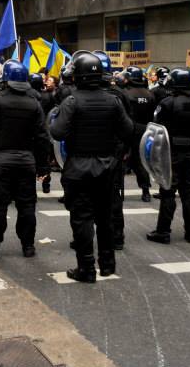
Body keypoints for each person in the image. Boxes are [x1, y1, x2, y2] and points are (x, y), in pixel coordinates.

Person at [49, 52, 133, 283]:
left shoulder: (72, 101)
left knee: (82, 218)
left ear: (78, 76)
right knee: (105, 216)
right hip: (107, 166)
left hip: (79, 166)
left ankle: (86, 268)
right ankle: (107, 264)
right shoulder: (113, 101)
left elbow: (57, 132)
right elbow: (128, 131)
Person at [0, 61, 50, 260]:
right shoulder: (34, 104)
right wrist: (43, 166)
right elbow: (42, 138)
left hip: (0, 162)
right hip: (26, 162)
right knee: (27, 206)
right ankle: (28, 246)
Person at [147, 68, 190, 244]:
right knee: (188, 192)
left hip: (171, 153)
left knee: (168, 191)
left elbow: (157, 131)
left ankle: (163, 231)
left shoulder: (167, 103)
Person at [122, 66, 156, 203]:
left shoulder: (125, 93)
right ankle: (145, 191)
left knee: (121, 160)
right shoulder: (150, 94)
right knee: (141, 162)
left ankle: (117, 190)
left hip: (128, 130)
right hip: (145, 131)